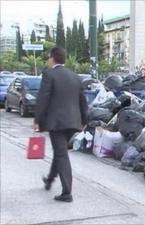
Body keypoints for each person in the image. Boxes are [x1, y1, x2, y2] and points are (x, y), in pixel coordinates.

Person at [34, 47, 88, 202]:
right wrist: (85, 121)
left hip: (57, 123)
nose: (47, 60)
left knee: (61, 154)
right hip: (73, 122)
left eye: (48, 58)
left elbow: (43, 98)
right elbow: (82, 101)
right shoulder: (75, 76)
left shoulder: (49, 74)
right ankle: (50, 179)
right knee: (60, 151)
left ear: (52, 58)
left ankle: (67, 192)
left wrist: (37, 119)